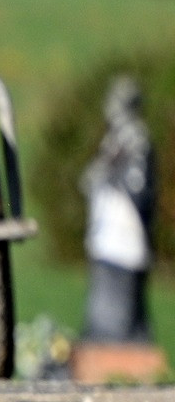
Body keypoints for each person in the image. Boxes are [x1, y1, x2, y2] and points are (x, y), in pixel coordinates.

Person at [81, 76, 156, 345]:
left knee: (121, 297)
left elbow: (137, 183)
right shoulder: (116, 138)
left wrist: (105, 179)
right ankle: (105, 339)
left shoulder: (135, 138)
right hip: (107, 229)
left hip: (123, 228)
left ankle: (119, 343)